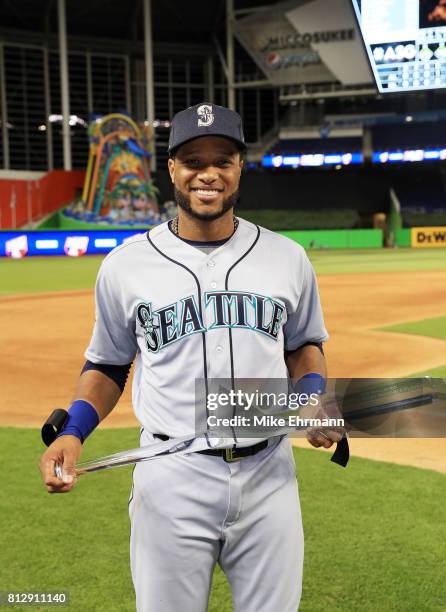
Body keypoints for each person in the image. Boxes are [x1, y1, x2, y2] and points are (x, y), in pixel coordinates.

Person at [39, 102, 342, 611]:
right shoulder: (126, 265)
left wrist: (311, 399)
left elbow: (303, 346)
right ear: (173, 169)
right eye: (193, 160)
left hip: (269, 473)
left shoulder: (288, 257)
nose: (208, 173)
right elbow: (109, 364)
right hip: (171, 473)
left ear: (239, 167)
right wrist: (73, 431)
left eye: (222, 159)